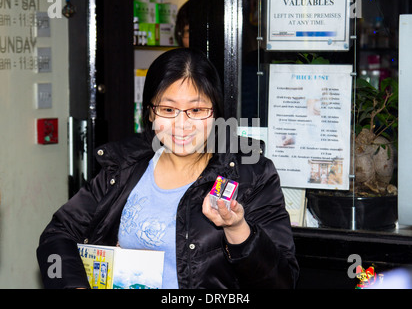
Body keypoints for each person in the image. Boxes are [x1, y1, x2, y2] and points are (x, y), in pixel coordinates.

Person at [37, 48, 299, 289]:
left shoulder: (250, 173)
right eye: (168, 109)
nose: (181, 124)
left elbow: (282, 282)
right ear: (151, 112)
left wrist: (237, 228)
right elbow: (57, 235)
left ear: (216, 113)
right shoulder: (123, 168)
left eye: (196, 109)